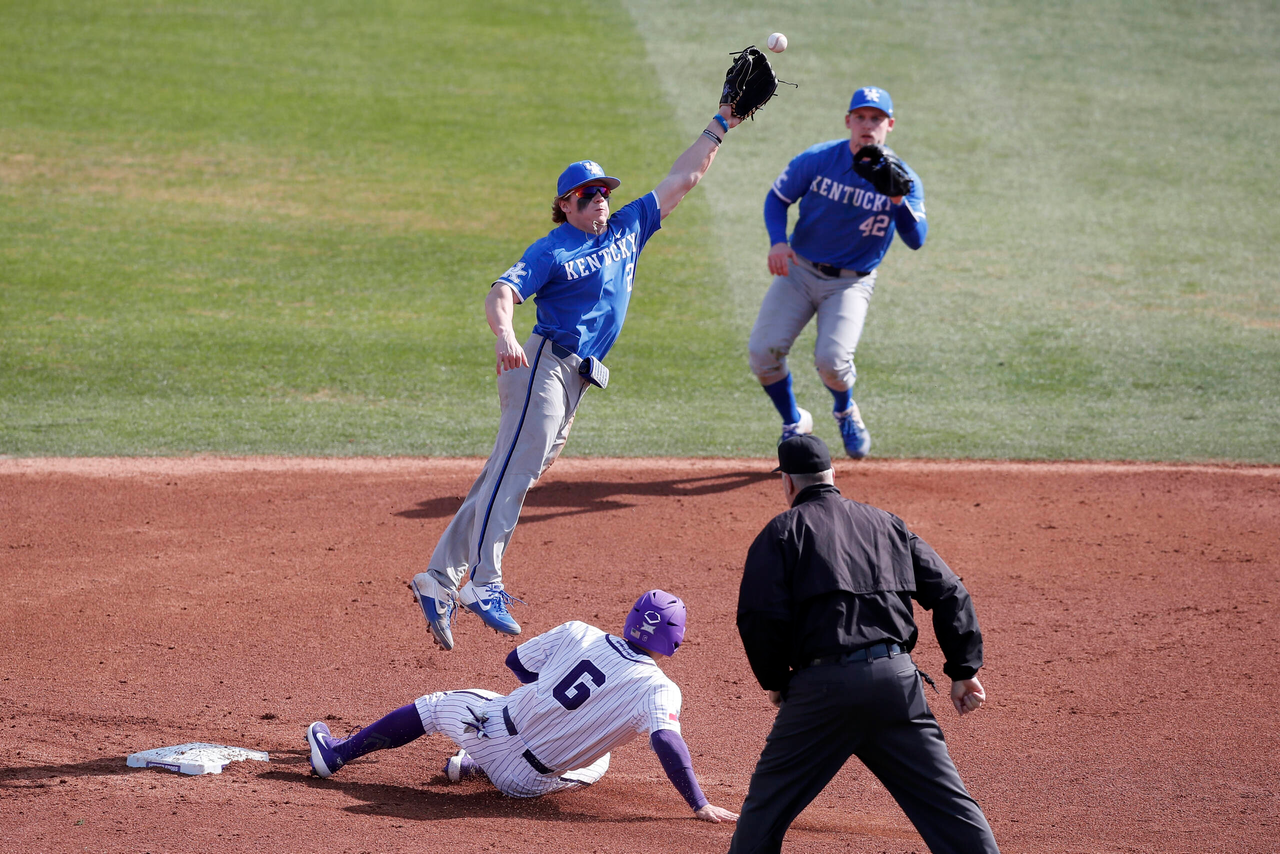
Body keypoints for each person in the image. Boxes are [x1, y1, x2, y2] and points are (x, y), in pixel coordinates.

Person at [413, 103, 751, 650]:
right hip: (542, 367)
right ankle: (484, 581)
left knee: (508, 472)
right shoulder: (552, 249)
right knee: (514, 473)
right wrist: (504, 334)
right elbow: (502, 292)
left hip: (576, 381)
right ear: (565, 205)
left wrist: (721, 124)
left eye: (604, 191)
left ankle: (438, 578)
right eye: (587, 194)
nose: (600, 199)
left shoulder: (628, 227)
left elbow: (683, 178)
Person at [729, 435, 999, 854]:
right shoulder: (888, 524)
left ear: (788, 482)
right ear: (833, 474)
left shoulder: (782, 532)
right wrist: (963, 670)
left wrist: (776, 680)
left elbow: (759, 617)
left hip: (821, 693)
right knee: (951, 810)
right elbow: (950, 593)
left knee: (765, 812)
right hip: (896, 686)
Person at [307, 590, 738, 824]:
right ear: (675, 640)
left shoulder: (579, 631)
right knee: (599, 759)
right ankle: (473, 768)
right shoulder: (661, 690)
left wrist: (546, 697)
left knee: (435, 707)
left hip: (486, 728)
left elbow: (516, 662)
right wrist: (698, 803)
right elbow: (666, 741)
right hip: (525, 782)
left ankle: (337, 754)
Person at [748, 86, 927, 458]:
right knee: (763, 353)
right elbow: (777, 199)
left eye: (876, 118)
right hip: (799, 271)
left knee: (831, 363)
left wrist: (897, 200)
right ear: (848, 121)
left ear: (890, 125)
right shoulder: (818, 159)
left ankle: (845, 410)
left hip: (851, 283)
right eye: (860, 117)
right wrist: (778, 242)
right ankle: (794, 420)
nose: (868, 125)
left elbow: (916, 239)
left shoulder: (904, 178)